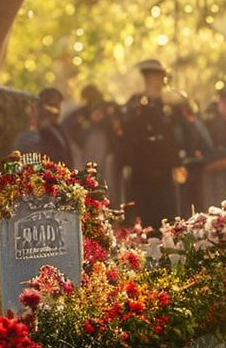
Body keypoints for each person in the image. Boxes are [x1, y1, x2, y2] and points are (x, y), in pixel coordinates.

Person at [118, 59, 183, 226]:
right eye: (148, 76)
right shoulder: (135, 103)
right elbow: (125, 129)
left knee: (167, 219)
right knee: (141, 219)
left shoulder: (170, 104)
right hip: (141, 171)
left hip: (165, 171)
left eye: (156, 76)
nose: (153, 80)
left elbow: (177, 134)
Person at [62, 84, 121, 196]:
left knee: (103, 179)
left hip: (105, 155)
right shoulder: (79, 114)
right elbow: (68, 129)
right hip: (84, 154)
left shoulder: (108, 111)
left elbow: (116, 131)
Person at [12, 88, 73, 165]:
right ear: (41, 107)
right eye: (52, 106)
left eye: (58, 107)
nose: (56, 112)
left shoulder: (58, 130)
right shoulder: (29, 135)